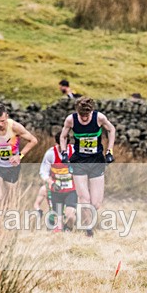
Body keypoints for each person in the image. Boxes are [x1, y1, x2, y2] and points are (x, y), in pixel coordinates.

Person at [61, 97, 117, 237]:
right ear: (77, 112)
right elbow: (63, 136)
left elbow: (111, 130)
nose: (84, 118)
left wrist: (109, 151)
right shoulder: (71, 120)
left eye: (87, 115)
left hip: (96, 160)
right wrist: (64, 152)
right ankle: (88, 230)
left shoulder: (99, 118)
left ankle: (84, 220)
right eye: (82, 115)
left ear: (91, 111)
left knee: (96, 203)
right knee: (84, 198)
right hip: (79, 161)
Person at [0, 103, 38, 204]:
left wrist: (19, 156)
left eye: (2, 121)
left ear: (7, 117)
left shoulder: (15, 127)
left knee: (9, 202)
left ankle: (3, 218)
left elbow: (33, 140)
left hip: (12, 166)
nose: (0, 124)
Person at [37, 132, 77, 232]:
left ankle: (68, 229)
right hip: (56, 190)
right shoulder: (50, 154)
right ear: (56, 143)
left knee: (70, 216)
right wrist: (51, 183)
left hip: (71, 190)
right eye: (60, 144)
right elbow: (43, 172)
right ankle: (60, 232)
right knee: (57, 222)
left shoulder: (75, 151)